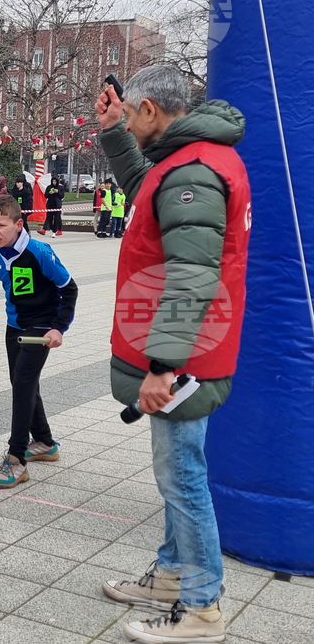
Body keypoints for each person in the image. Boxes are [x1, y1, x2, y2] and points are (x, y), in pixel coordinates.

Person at [95, 64, 251, 643]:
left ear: (153, 112)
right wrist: (114, 131)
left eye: (130, 113)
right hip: (191, 347)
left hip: (186, 355)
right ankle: (170, 575)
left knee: (182, 477)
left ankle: (201, 607)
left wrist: (163, 365)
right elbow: (147, 195)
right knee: (179, 474)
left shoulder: (196, 171)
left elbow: (191, 274)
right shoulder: (187, 164)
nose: (129, 122)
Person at [0, 195, 78, 488]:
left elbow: (69, 289)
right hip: (14, 325)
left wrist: (59, 328)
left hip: (41, 326)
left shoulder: (38, 251)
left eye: (1, 226)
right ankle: (44, 442)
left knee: (22, 384)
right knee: (21, 382)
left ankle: (16, 459)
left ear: (19, 225)